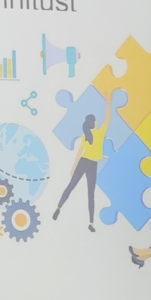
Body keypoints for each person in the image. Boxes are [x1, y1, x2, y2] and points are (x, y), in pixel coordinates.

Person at [52, 96, 113, 232]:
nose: (97, 122)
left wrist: (74, 166)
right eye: (96, 120)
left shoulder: (86, 134)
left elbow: (80, 151)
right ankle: (91, 223)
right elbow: (108, 119)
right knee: (90, 194)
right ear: (93, 122)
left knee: (70, 186)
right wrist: (107, 102)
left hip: (82, 162)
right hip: (92, 165)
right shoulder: (99, 133)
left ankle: (58, 208)